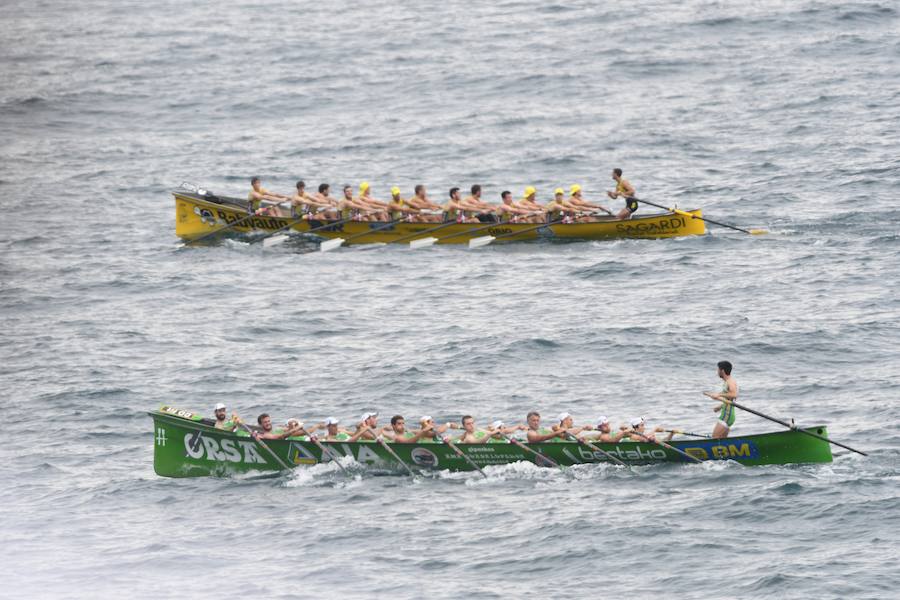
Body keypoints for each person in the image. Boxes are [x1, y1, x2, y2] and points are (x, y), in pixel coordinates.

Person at [704, 360, 738, 439]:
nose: (717, 372)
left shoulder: (730, 382)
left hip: (727, 415)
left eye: (718, 369)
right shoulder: (728, 382)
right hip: (728, 414)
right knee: (722, 441)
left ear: (722, 371)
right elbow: (730, 400)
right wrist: (721, 406)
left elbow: (734, 395)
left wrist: (718, 394)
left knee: (714, 438)